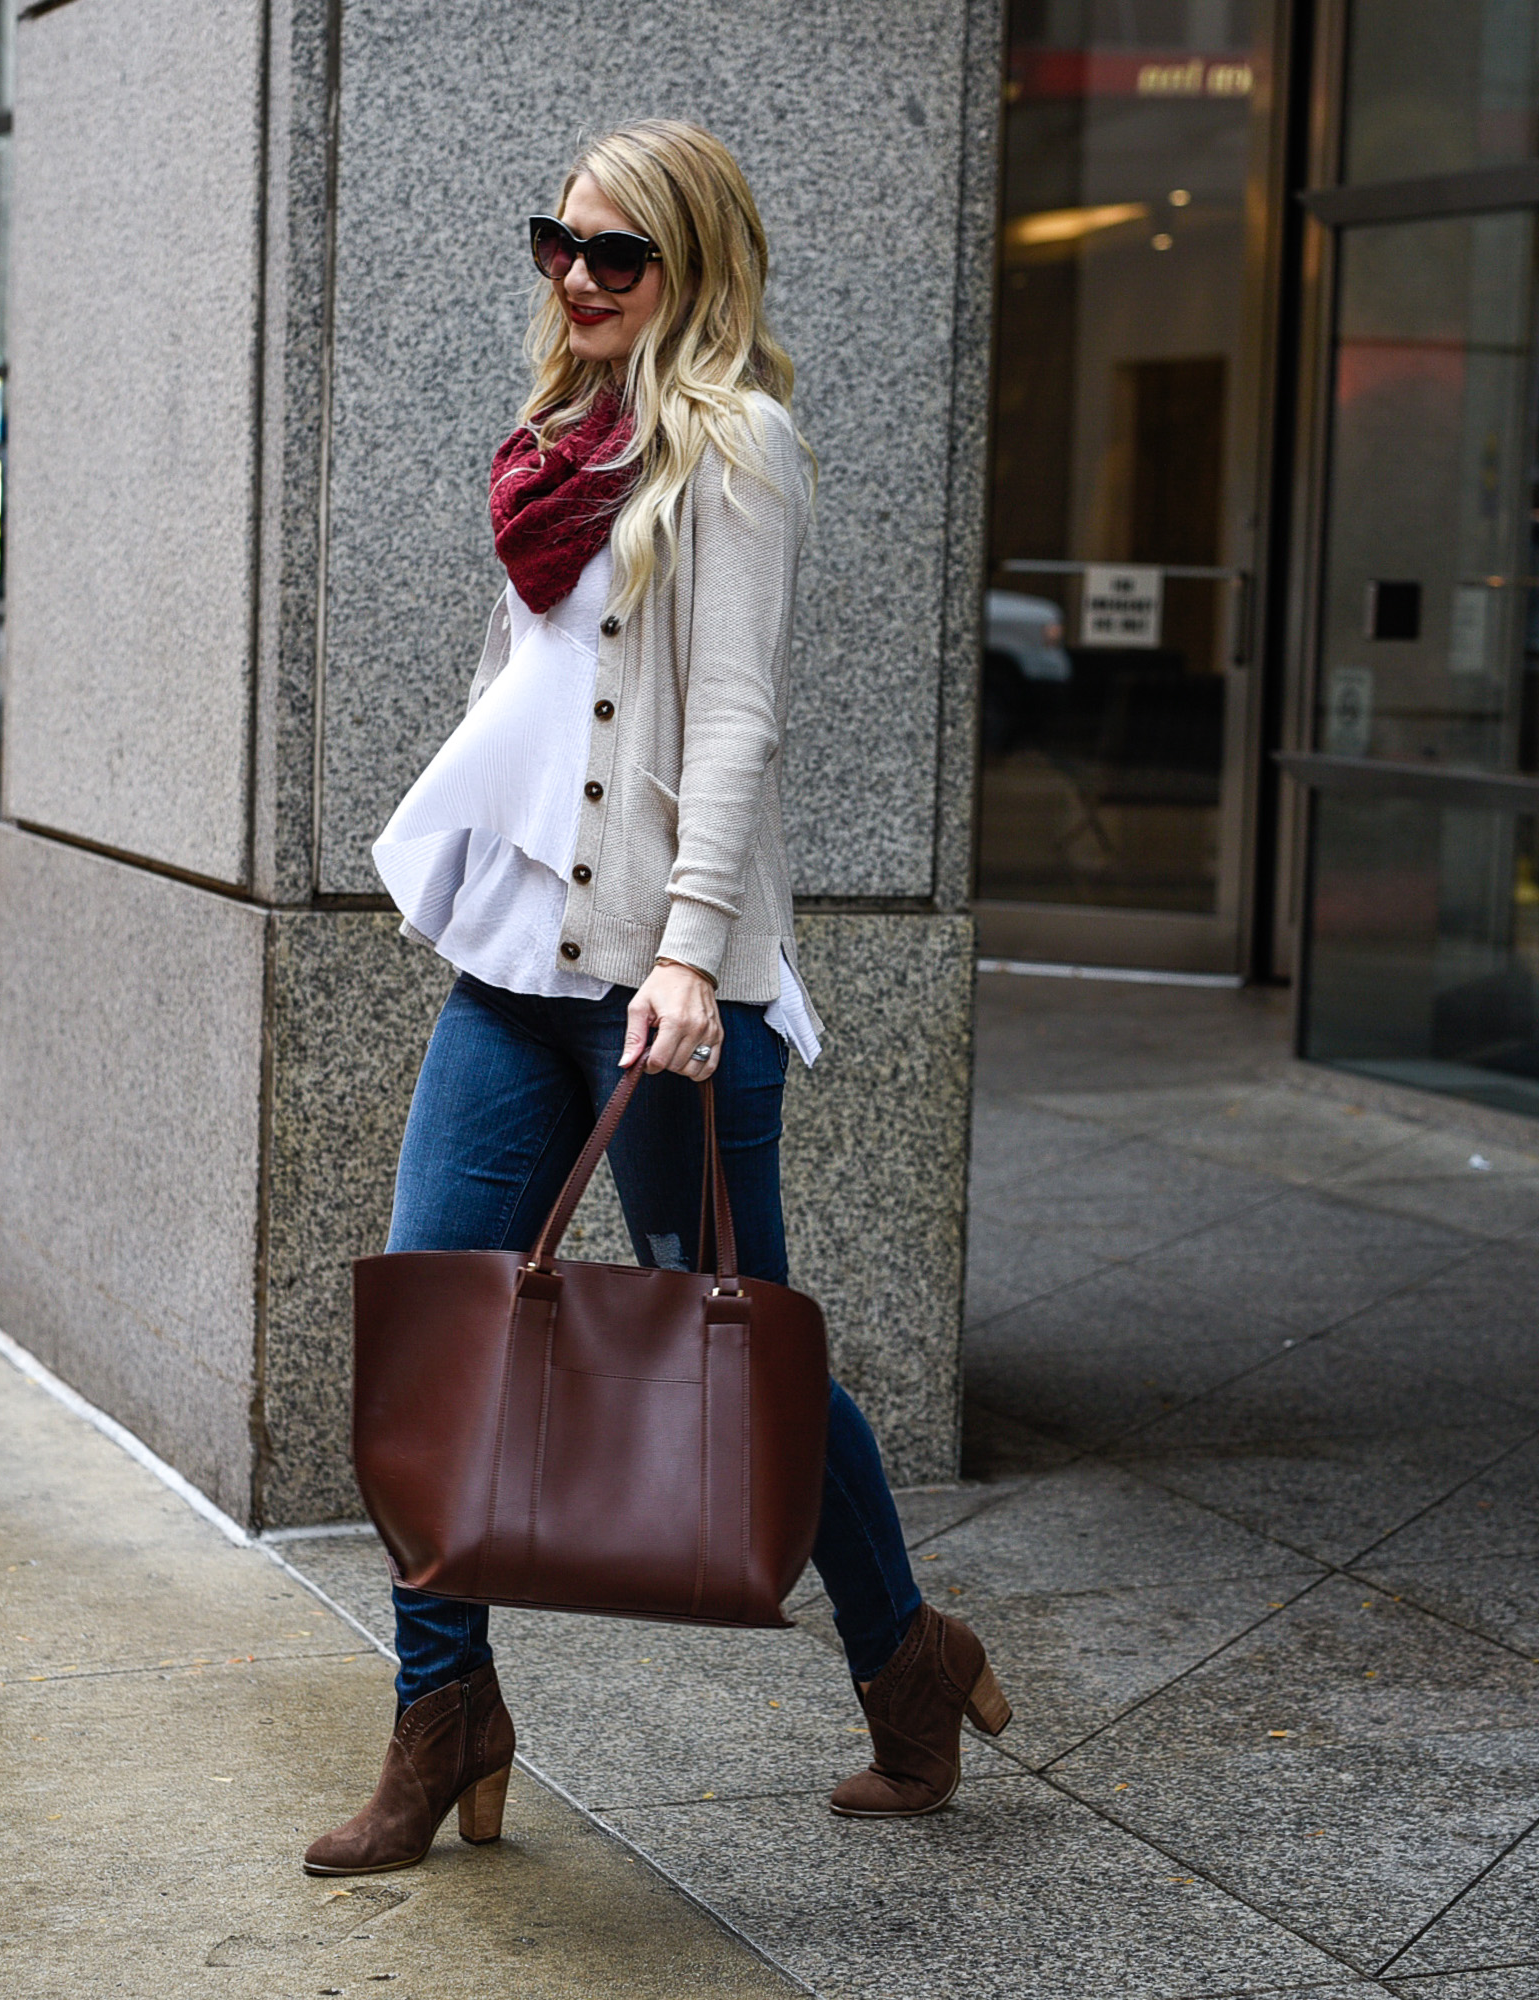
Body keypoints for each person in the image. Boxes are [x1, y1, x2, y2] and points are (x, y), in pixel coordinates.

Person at [303, 119, 1009, 1878]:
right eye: (560, 243)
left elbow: (736, 718)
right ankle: (443, 1706)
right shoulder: (553, 445)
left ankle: (903, 1661)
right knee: (435, 1338)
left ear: (695, 268)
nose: (580, 277)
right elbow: (518, 688)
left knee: (741, 1349)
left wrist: (693, 949)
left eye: (619, 254)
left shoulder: (734, 447)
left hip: (659, 995)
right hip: (510, 977)